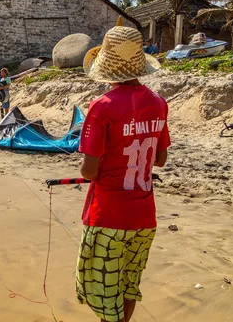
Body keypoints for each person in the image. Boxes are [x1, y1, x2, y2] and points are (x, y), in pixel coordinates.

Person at [76, 26, 170, 322]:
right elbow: (161, 159)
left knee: (105, 297)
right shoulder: (158, 103)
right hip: (144, 216)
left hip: (109, 217)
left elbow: (89, 172)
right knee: (129, 287)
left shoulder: (101, 107)